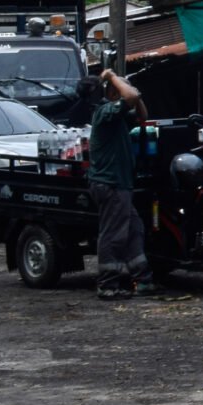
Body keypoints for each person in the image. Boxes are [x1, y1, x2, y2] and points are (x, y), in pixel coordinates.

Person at [89, 67, 154, 300]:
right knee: (113, 235)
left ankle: (143, 278)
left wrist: (135, 93)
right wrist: (112, 77)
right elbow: (131, 98)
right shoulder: (106, 112)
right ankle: (107, 284)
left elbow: (142, 114)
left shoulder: (118, 116)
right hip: (111, 184)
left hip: (121, 184)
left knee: (134, 229)